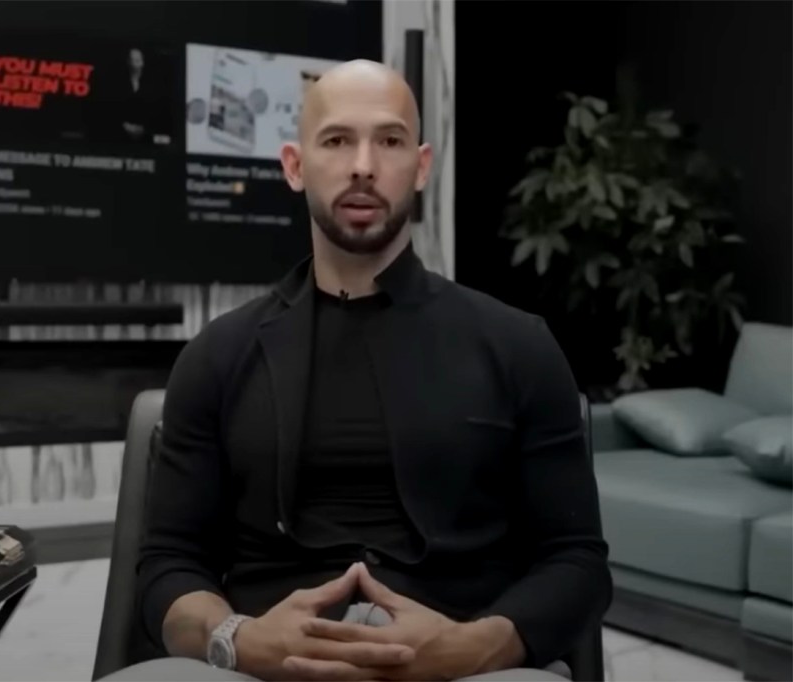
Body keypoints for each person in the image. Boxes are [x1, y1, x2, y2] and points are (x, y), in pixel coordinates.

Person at [103, 60, 611, 681]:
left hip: (469, 663)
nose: (363, 165)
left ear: (421, 166)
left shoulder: (519, 347)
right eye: (337, 140)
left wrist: (469, 648)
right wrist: (239, 640)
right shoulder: (217, 356)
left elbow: (576, 562)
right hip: (258, 666)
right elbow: (168, 565)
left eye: (389, 140)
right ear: (295, 166)